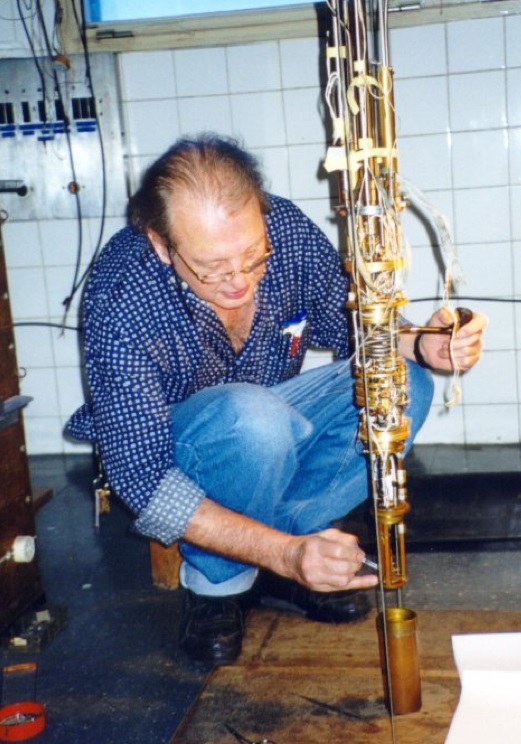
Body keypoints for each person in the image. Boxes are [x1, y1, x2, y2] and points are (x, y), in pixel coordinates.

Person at [68, 134, 486, 665]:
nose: (239, 281)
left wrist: (421, 343)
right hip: (180, 444)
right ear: (161, 244)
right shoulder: (123, 292)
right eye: (213, 267)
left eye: (252, 256)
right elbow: (142, 479)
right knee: (252, 419)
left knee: (401, 383)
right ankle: (219, 584)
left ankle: (286, 550)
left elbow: (349, 323)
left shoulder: (285, 229)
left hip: (263, 416)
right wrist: (285, 556)